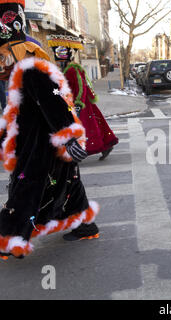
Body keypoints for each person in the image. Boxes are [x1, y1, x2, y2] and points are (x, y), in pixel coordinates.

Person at [0, 0, 100, 259]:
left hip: (41, 145)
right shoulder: (20, 71)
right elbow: (18, 111)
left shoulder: (31, 70)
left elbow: (54, 103)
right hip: (39, 141)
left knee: (25, 191)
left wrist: (69, 138)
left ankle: (8, 240)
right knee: (68, 185)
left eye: (1, 56)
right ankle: (84, 224)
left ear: (15, 50)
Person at [47, 34, 119, 160]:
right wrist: (53, 92)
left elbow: (81, 87)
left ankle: (79, 152)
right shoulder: (66, 71)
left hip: (80, 105)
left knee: (85, 129)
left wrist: (79, 103)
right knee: (94, 126)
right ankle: (105, 146)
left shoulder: (73, 70)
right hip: (73, 104)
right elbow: (63, 89)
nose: (59, 64)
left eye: (61, 61)